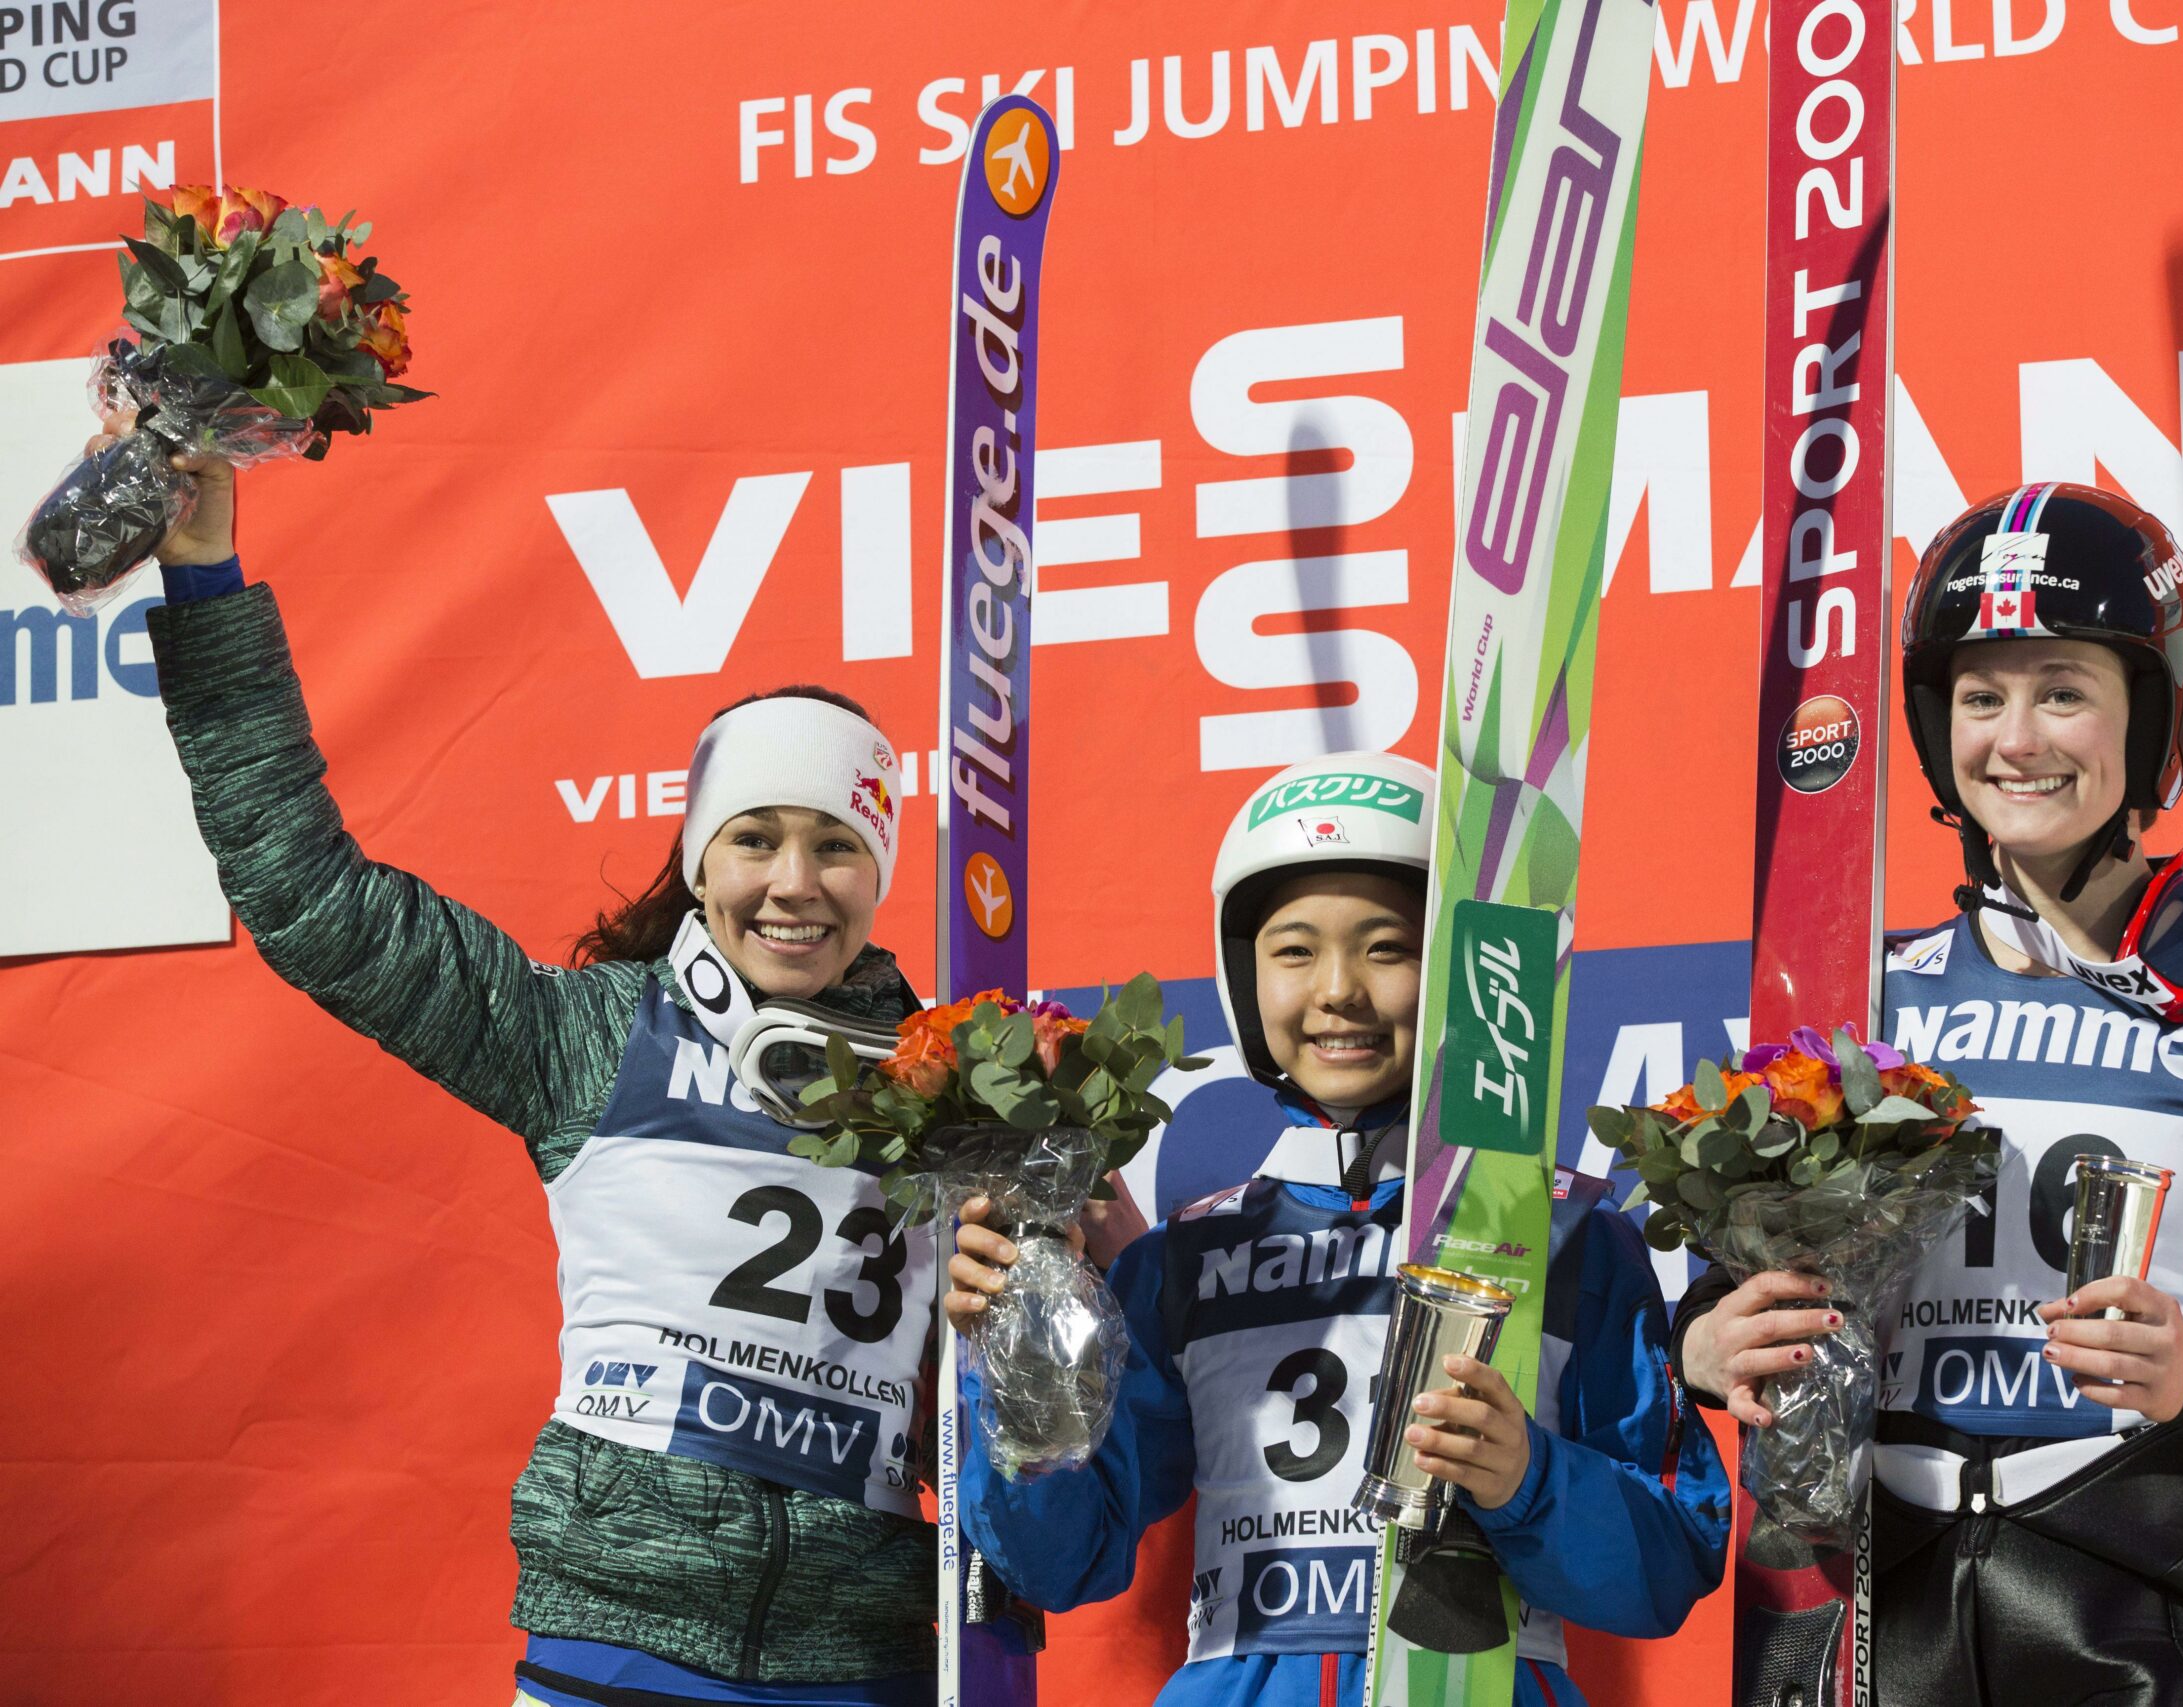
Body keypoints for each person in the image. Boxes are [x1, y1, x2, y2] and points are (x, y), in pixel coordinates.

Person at [121, 429, 944, 1706]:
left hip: (866, 1668)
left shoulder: (955, 1091)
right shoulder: (590, 1037)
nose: (794, 885)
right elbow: (306, 892)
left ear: (880, 873)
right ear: (699, 860)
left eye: (836, 847)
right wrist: (205, 584)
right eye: (757, 840)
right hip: (612, 1654)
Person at [1675, 482, 2183, 1706]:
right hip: (1878, 1616)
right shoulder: (1848, 1002)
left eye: (2063, 690)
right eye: (1981, 695)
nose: (2015, 738)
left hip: (2142, 1616)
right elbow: (1728, 1309)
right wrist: (1704, 1350)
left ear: (2154, 718)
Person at [943, 751, 1731, 1707]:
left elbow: (1667, 1567)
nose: (1338, 989)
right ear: (1245, 977)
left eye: (1386, 946)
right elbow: (1065, 1561)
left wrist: (1527, 1476)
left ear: (1453, 965)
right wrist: (1027, 1390)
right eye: (1294, 949)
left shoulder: (1571, 1239)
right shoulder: (1179, 1262)